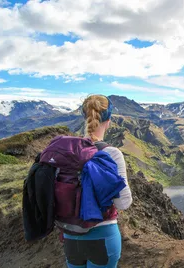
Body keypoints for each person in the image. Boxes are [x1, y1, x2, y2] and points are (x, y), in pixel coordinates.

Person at [62, 94, 133, 268]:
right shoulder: (112, 154)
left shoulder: (66, 151)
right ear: (109, 120)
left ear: (84, 117)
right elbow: (123, 202)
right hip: (103, 235)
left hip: (70, 236)